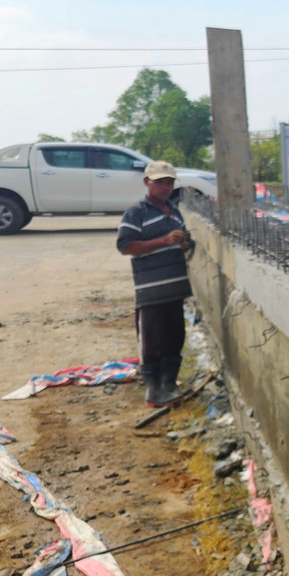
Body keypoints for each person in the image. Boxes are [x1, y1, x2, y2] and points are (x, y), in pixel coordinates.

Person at [116, 161, 196, 407]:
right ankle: (154, 392)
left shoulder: (174, 210)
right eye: (159, 181)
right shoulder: (136, 212)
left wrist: (184, 243)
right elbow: (125, 246)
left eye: (169, 182)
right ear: (146, 182)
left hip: (175, 289)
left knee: (175, 337)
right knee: (153, 342)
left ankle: (169, 385)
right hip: (151, 290)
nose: (165, 186)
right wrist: (163, 240)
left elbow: (182, 244)